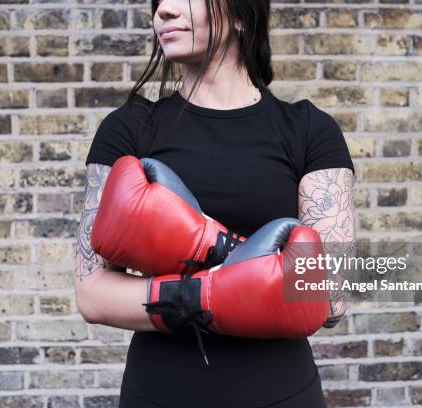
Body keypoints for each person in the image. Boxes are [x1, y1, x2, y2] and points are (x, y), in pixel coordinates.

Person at [74, 0, 355, 406]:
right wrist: (230, 276)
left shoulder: (310, 131)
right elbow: (93, 294)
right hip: (160, 393)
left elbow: (328, 299)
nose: (163, 12)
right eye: (158, 2)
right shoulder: (128, 130)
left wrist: (210, 254)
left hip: (279, 394)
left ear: (241, 14)